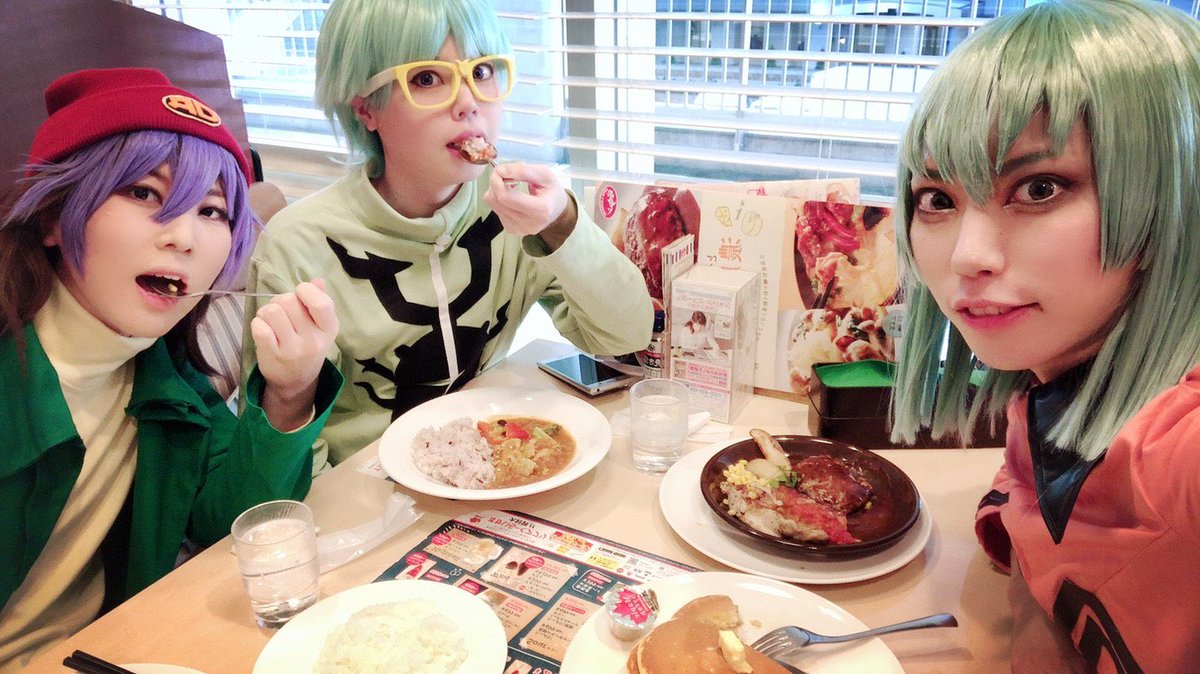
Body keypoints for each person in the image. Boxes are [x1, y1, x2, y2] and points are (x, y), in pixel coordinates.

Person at [889, 1, 1200, 670]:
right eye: (937, 198)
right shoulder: (1054, 382)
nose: (968, 255)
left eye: (1039, 187)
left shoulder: (1182, 451)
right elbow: (1028, 501)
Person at [0, 68, 343, 670]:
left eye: (212, 211)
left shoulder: (164, 374)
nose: (185, 237)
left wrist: (290, 389)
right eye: (143, 193)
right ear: (53, 217)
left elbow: (227, 526)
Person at [244, 0, 653, 469]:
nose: (469, 102)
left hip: (488, 467)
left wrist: (563, 224)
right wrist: (290, 394)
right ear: (366, 109)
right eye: (426, 79)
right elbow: (280, 478)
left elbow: (625, 334)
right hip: (365, 485)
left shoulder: (516, 208)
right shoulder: (297, 246)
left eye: (481, 72)